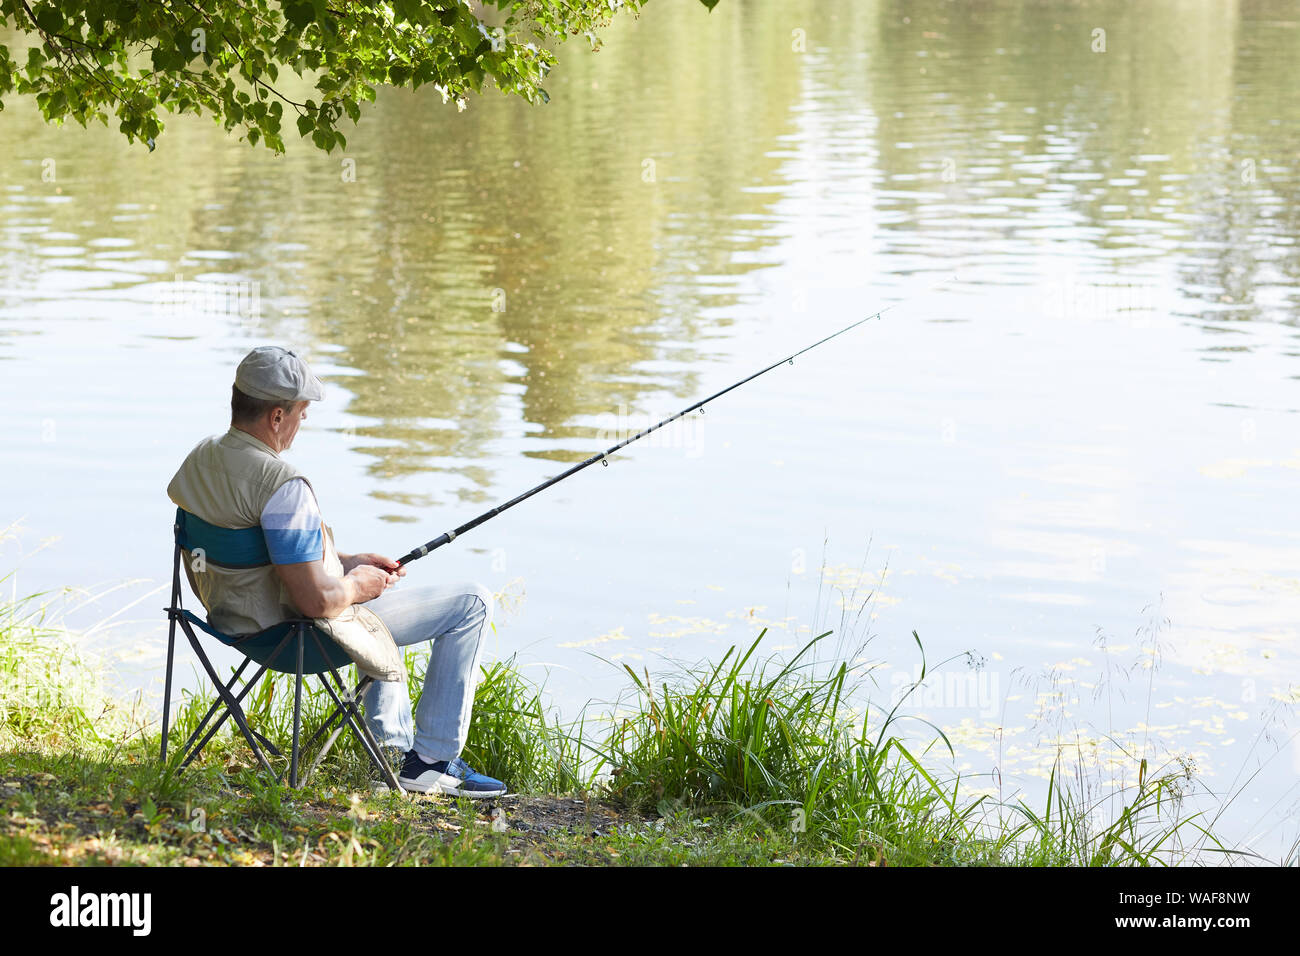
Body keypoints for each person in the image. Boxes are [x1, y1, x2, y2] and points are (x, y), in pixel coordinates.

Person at [166, 345, 505, 797]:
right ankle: (430, 761)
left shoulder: (203, 458)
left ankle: (389, 745)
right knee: (472, 601)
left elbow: (258, 554)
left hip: (233, 622)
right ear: (276, 417)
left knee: (372, 597)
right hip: (294, 637)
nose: (303, 423)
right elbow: (316, 601)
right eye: (302, 414)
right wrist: (356, 585)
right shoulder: (282, 486)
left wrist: (346, 562)